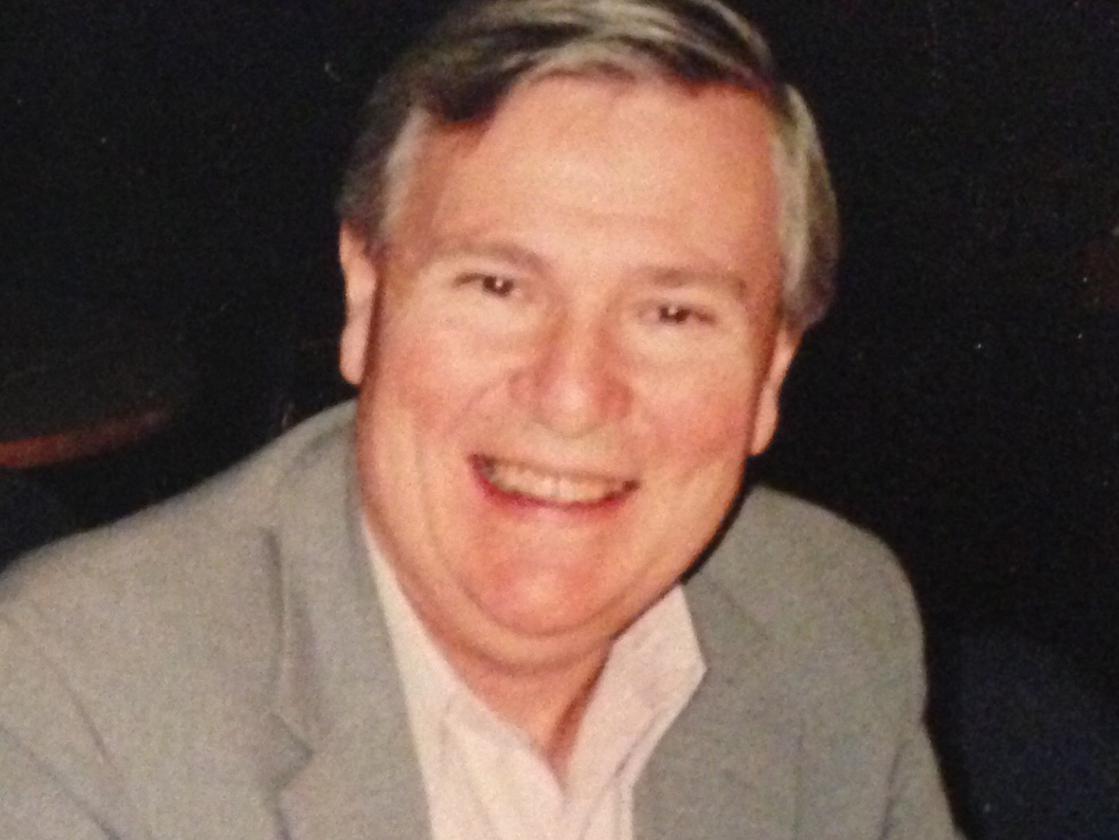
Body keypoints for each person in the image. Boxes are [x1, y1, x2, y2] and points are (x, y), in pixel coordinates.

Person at [0, 1, 960, 837]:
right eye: (498, 286)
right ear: (366, 299)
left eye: (671, 313)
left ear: (770, 370)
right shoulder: (70, 708)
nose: (572, 394)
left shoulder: (830, 620)